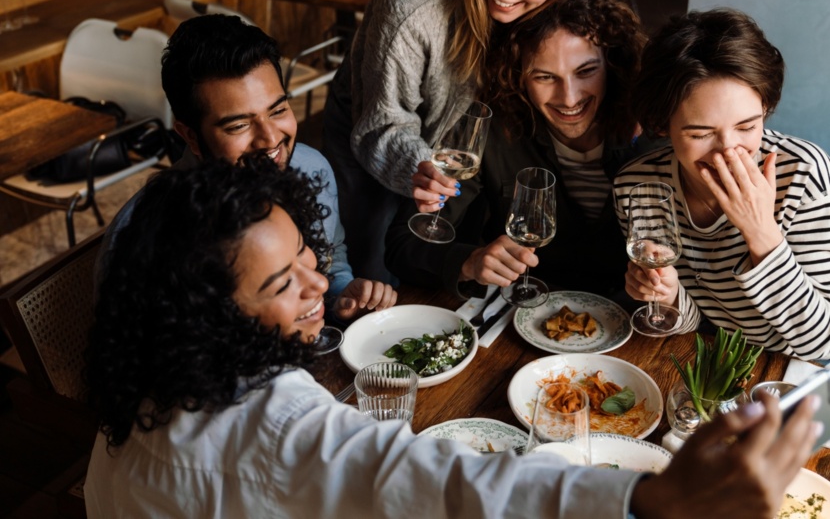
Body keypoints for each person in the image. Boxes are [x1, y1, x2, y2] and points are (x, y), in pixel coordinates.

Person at [84, 154, 822, 518]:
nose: (319, 285)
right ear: (205, 315)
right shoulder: (273, 427)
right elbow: (449, 486)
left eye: (306, 257)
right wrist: (645, 503)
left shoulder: (141, 397)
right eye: (282, 285)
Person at [322, 0, 602, 284]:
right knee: (373, 269)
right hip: (377, 129)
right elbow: (382, 122)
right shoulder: (412, 7)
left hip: (465, 135)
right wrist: (418, 170)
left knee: (454, 256)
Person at [101, 14, 396, 324]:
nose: (270, 139)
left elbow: (330, 265)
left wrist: (343, 295)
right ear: (190, 136)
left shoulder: (311, 168)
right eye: (239, 125)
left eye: (278, 110)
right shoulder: (143, 234)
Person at [387, 0, 650, 304]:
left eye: (586, 71)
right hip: (522, 315)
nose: (569, 98)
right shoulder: (491, 131)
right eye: (544, 77)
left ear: (612, 64)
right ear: (517, 77)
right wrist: (469, 262)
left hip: (634, 321)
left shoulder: (651, 132)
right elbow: (403, 245)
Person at [613, 8, 830, 360]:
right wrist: (668, 298)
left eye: (747, 127)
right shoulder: (639, 187)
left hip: (783, 368)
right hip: (704, 357)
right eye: (700, 133)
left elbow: (820, 343)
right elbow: (698, 321)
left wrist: (760, 231)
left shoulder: (803, 176)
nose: (728, 151)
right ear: (661, 124)